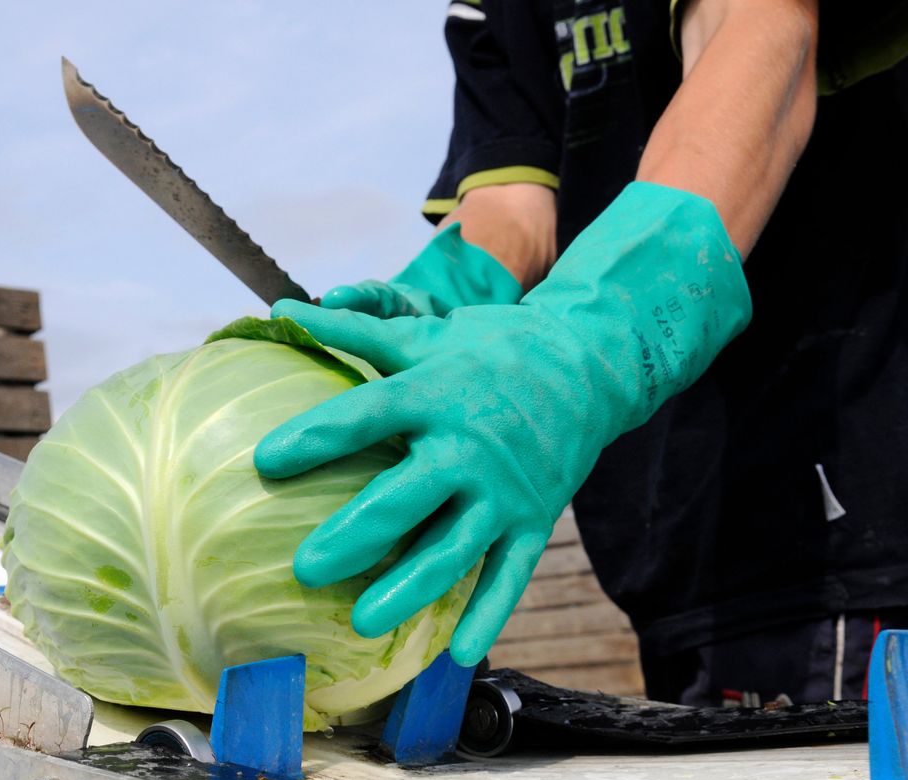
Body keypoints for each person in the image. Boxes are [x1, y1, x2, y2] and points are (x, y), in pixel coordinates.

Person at [254, 0, 908, 706]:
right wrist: (440, 300)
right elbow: (515, 202)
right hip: (666, 535)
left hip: (838, 501)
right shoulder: (488, 13)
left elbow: (762, 33)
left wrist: (581, 343)